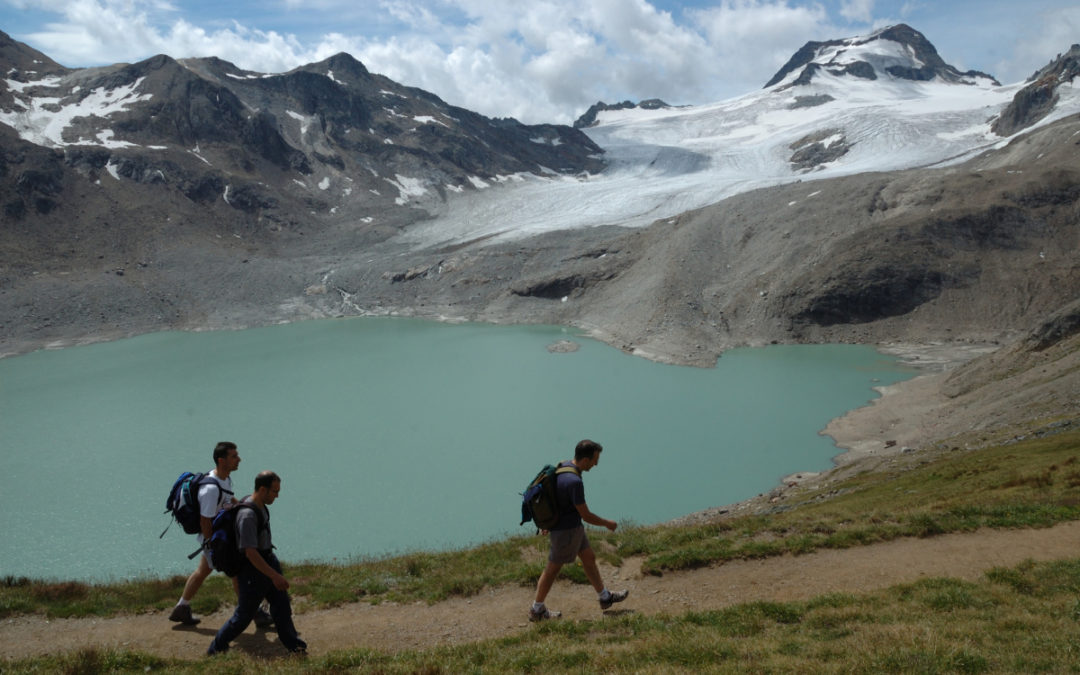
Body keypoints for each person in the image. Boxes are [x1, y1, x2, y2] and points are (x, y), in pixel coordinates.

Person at [208, 470, 307, 656]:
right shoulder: (248, 515)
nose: (277, 496)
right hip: (254, 571)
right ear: (262, 489)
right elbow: (250, 553)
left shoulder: (258, 505)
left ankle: (294, 646)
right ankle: (216, 648)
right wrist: (274, 575)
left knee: (281, 606)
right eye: (274, 491)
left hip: (268, 561)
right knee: (243, 616)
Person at [529, 439, 629, 621]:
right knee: (552, 569)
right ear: (585, 460)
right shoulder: (574, 481)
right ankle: (537, 609)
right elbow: (586, 515)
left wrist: (547, 523)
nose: (596, 464)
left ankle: (604, 597)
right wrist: (607, 523)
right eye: (594, 460)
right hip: (566, 532)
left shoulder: (563, 465)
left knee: (588, 557)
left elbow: (557, 497)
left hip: (572, 528)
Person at [169, 442, 256, 626]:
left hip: (217, 536)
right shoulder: (210, 489)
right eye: (234, 456)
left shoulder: (224, 479)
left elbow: (227, 497)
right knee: (237, 572)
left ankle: (181, 608)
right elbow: (205, 520)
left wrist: (239, 505)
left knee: (202, 571)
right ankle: (253, 613)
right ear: (221, 460)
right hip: (214, 539)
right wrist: (211, 544)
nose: (239, 459)